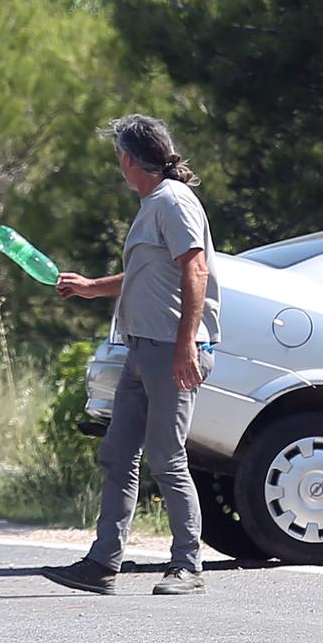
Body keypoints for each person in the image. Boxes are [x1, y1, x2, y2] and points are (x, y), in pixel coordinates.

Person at [42, 114, 222, 596]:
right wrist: (89, 289)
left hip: (173, 350)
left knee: (167, 457)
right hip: (141, 350)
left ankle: (188, 566)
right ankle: (103, 564)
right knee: (118, 452)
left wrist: (186, 344)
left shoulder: (173, 201)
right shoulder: (153, 205)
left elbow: (196, 270)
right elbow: (146, 276)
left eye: (118, 154)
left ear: (129, 159)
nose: (117, 163)